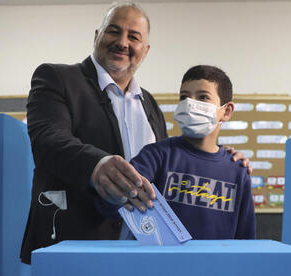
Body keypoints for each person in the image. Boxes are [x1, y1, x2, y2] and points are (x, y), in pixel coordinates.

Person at [20, 2, 251, 264]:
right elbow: (48, 139)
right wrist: (96, 165)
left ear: (145, 50)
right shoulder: (57, 78)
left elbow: (169, 171)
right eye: (113, 31)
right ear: (97, 36)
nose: (122, 42)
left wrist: (223, 158)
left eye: (133, 36)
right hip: (77, 248)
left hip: (142, 254)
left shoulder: (149, 104)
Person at [127, 65, 255, 239]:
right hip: (162, 263)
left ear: (226, 111)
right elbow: (114, 199)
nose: (190, 103)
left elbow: (246, 237)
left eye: (203, 97)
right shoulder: (156, 156)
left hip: (218, 264)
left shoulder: (237, 169)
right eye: (184, 97)